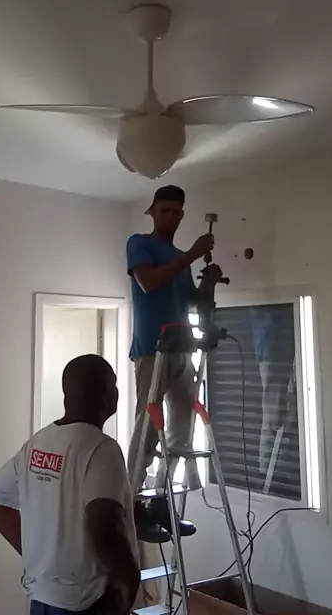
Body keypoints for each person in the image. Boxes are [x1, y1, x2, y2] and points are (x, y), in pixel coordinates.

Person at [0, 354, 140, 615]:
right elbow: (104, 527)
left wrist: (38, 556)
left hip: (41, 598)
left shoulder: (38, 443)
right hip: (87, 602)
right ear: (109, 397)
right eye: (114, 385)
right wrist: (130, 580)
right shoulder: (102, 448)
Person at [126, 185, 215, 541]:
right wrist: (192, 255)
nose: (171, 217)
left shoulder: (180, 257)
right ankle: (132, 502)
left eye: (177, 212)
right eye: (164, 211)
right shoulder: (139, 244)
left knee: (182, 424)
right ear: (152, 212)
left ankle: (162, 498)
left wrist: (207, 283)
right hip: (152, 348)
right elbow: (149, 282)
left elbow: (191, 301)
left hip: (182, 347)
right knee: (148, 424)